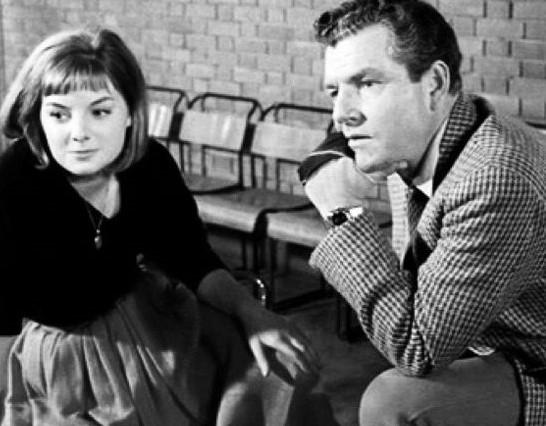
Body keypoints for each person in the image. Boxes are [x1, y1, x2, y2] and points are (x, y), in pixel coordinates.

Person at [0, 28, 330, 425]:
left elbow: (191, 257)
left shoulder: (148, 162)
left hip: (152, 317)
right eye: (59, 114)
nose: (79, 133)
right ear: (37, 116)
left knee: (277, 368)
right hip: (67, 358)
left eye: (100, 111)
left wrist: (252, 314)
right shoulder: (13, 179)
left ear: (130, 113)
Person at [302, 0, 546, 425]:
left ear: (434, 83)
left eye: (367, 83)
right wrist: (326, 160)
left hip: (534, 359)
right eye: (334, 91)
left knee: (393, 399)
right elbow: (336, 136)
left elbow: (417, 348)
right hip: (487, 341)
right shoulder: (423, 134)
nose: (342, 113)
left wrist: (343, 214)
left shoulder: (493, 179)